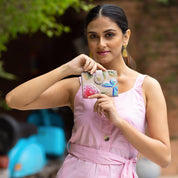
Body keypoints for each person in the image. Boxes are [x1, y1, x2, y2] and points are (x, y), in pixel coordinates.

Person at [6, 4, 171, 178]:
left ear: (125, 37)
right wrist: (66, 69)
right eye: (93, 36)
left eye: (109, 35)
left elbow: (163, 157)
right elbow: (14, 100)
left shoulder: (146, 86)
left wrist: (120, 122)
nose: (101, 44)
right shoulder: (76, 85)